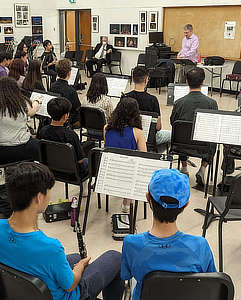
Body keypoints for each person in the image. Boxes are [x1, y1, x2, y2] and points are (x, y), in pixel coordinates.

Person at [0, 162, 124, 300]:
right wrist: (80, 268)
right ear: (39, 198)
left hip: (22, 290)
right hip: (69, 296)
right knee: (115, 257)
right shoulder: (50, 247)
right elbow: (70, 285)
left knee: (76, 257)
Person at [121, 168, 216, 300]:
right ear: (186, 204)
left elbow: (126, 276)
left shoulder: (132, 243)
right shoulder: (200, 246)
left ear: (148, 198)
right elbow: (210, 283)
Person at [170, 67, 218, 183]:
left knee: (180, 133)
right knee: (213, 138)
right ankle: (202, 169)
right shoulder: (212, 103)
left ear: (187, 81)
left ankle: (184, 167)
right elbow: (214, 126)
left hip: (181, 145)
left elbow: (173, 122)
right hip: (203, 145)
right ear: (203, 82)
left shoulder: (179, 102)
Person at [104, 97, 147, 212]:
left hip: (110, 169)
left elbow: (107, 147)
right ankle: (126, 202)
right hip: (128, 172)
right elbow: (144, 156)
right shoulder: (138, 133)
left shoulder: (106, 128)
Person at [38, 97, 88, 179]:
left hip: (50, 170)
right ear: (65, 116)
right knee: (90, 161)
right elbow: (80, 160)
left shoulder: (42, 131)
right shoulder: (71, 135)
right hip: (72, 174)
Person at [126, 67, 171, 145]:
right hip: (148, 137)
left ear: (133, 79)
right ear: (146, 80)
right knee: (171, 135)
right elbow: (158, 127)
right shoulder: (153, 100)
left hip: (128, 135)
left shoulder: (125, 97)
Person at [0, 77, 40, 164]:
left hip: (1, 150)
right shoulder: (22, 102)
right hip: (22, 148)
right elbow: (32, 111)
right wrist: (37, 101)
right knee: (41, 146)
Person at [50, 59, 81, 127]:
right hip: (67, 118)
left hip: (55, 114)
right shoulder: (71, 91)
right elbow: (77, 107)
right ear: (69, 73)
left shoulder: (52, 86)